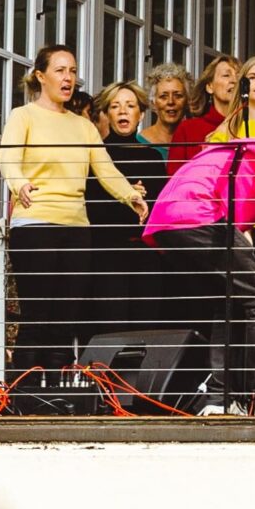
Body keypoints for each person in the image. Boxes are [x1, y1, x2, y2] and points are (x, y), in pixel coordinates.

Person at [0, 44, 147, 386]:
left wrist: (130, 197)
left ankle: (57, 396)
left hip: (77, 228)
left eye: (72, 71)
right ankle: (23, 394)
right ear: (40, 76)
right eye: (60, 70)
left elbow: (106, 170)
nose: (68, 78)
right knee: (38, 312)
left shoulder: (83, 128)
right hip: (34, 225)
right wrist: (19, 183)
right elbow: (8, 158)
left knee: (67, 315)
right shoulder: (23, 116)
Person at [143, 138, 255, 416]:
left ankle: (221, 400)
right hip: (199, 214)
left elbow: (243, 245)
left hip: (167, 222)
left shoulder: (248, 169)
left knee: (231, 300)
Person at [85, 80, 167, 342]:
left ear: (141, 114)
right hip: (107, 254)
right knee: (111, 326)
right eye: (116, 106)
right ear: (106, 113)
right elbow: (92, 208)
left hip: (146, 255)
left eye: (130, 106)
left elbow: (159, 209)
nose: (123, 111)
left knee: (147, 327)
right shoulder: (97, 155)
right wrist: (126, 194)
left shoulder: (153, 158)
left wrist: (139, 198)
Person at [167, 54, 239, 169]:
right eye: (226, 75)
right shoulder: (187, 129)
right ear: (210, 86)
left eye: (239, 76)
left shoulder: (249, 126)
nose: (234, 81)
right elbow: (175, 178)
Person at [140, 61, 199, 163]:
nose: (171, 102)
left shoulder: (196, 142)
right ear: (153, 103)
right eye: (163, 96)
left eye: (178, 95)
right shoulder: (140, 143)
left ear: (187, 101)